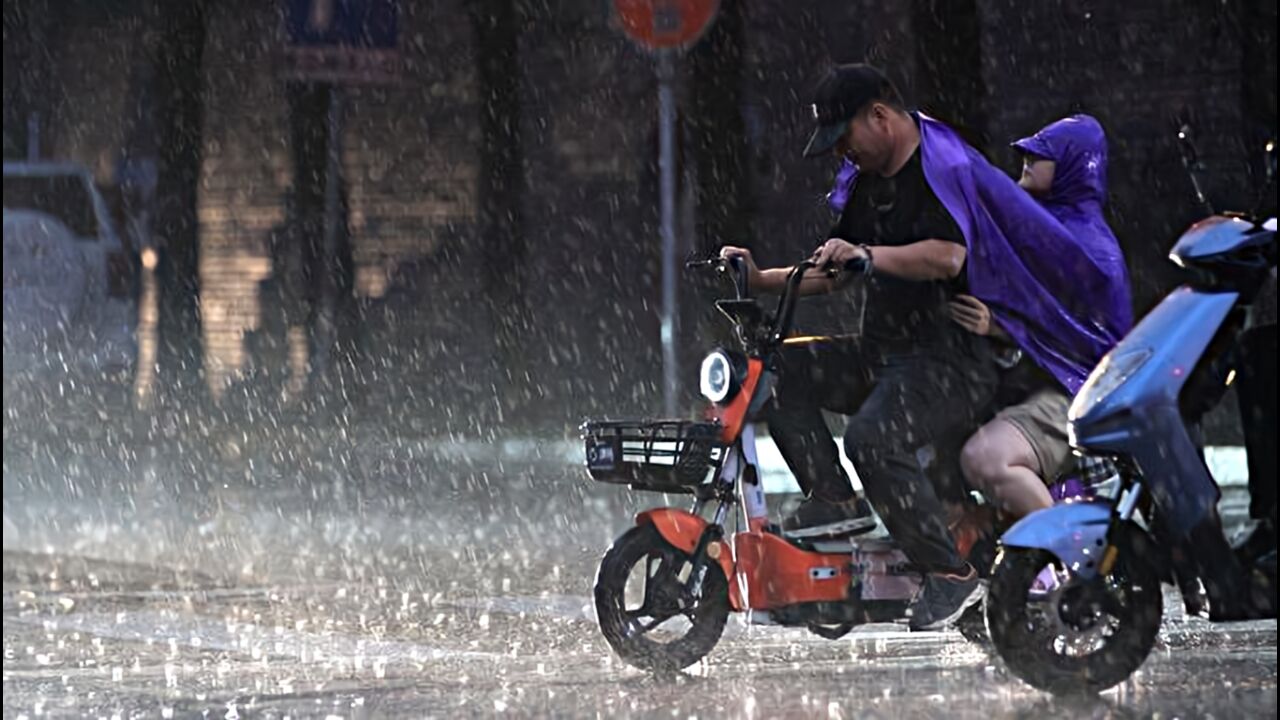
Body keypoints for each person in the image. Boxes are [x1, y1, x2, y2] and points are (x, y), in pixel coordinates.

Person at [720, 64, 1000, 630]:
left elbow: (949, 256)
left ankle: (950, 575)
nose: (844, 153)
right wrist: (759, 278)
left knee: (872, 438)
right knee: (780, 369)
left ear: (880, 116)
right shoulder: (871, 182)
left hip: (949, 362)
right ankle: (834, 499)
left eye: (845, 137)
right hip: (884, 356)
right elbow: (836, 267)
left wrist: (871, 257)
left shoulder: (940, 168)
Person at [951, 115, 1132, 519]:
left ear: (1072, 166)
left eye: (1042, 154)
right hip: (1039, 386)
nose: (1027, 158)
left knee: (987, 458)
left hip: (1076, 394)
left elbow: (1080, 339)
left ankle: (1053, 567)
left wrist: (1002, 326)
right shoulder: (1040, 228)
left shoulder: (1083, 245)